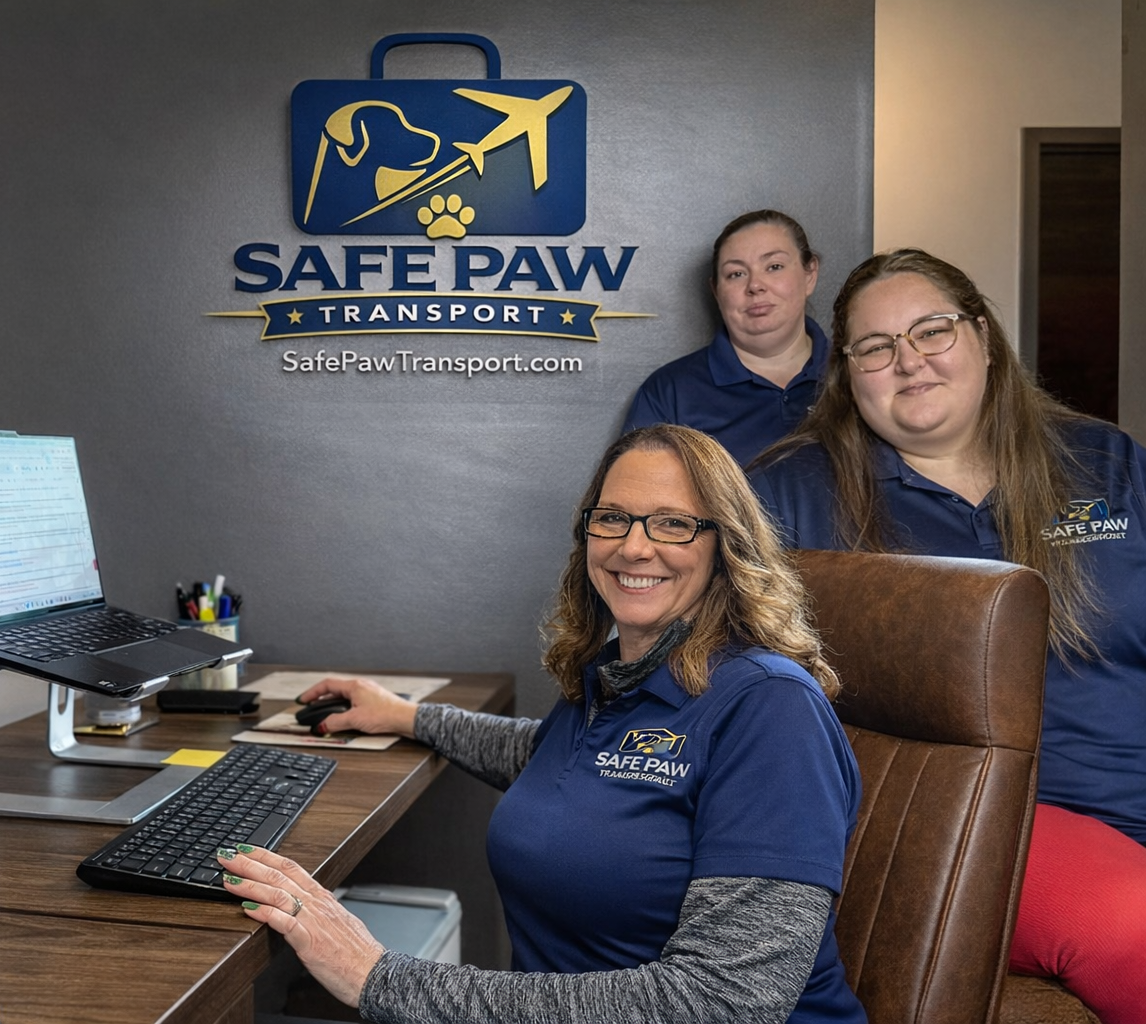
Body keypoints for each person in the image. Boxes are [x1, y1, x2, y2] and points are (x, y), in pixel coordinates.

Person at [217, 424, 866, 1023]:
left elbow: (722, 1002)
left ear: (724, 545)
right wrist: (407, 715)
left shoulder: (772, 710)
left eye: (673, 524)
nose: (634, 546)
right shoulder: (622, 677)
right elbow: (560, 763)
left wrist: (378, 978)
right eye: (612, 518)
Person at [749, 249, 1146, 1024]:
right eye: (875, 347)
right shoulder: (788, 494)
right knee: (1134, 927)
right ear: (847, 375)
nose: (910, 361)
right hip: (979, 827)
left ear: (984, 338)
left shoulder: (1108, 463)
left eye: (932, 331)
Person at [623, 210, 826, 466]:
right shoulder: (669, 393)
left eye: (774, 267)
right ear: (716, 291)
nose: (755, 285)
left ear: (810, 274)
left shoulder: (858, 375)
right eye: (736, 274)